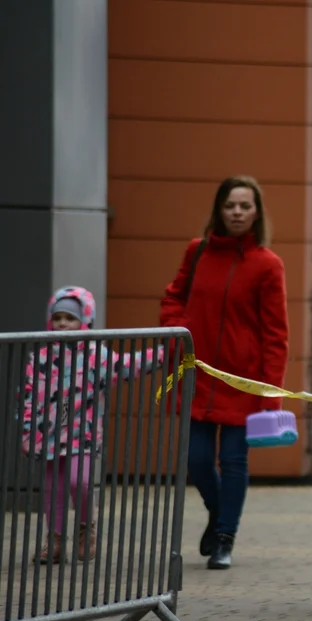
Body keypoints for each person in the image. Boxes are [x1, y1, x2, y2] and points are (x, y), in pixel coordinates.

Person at [160, 176, 289, 570]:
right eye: (230, 205)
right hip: (197, 376)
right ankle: (218, 518)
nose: (237, 212)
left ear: (256, 213)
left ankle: (225, 537)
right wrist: (180, 327)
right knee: (197, 459)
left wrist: (270, 394)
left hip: (243, 381)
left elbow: (275, 334)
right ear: (218, 209)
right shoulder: (196, 252)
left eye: (245, 206)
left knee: (234, 460)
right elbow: (173, 296)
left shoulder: (268, 264)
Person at [24, 287, 163, 564]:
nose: (63, 323)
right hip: (49, 433)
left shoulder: (95, 354)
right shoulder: (39, 356)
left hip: (82, 432)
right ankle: (55, 540)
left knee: (81, 481)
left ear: (85, 320)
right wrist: (28, 431)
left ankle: (86, 529)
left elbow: (127, 366)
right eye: (58, 317)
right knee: (53, 487)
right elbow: (28, 395)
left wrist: (162, 353)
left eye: (71, 318)